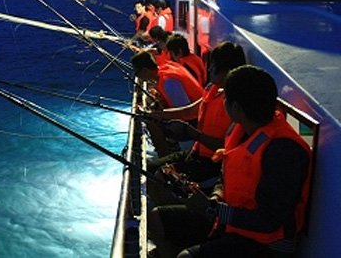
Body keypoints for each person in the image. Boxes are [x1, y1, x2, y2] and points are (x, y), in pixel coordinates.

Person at [149, 65, 311, 258]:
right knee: (157, 218)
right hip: (231, 223)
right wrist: (215, 197)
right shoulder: (241, 130)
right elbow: (226, 176)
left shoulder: (283, 151)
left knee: (186, 257)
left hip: (266, 244)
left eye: (226, 98)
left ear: (235, 107)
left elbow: (269, 221)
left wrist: (212, 209)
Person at [146, 42, 246, 203]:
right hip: (197, 151)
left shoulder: (237, 106)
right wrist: (158, 115)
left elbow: (230, 148)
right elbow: (189, 111)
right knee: (148, 168)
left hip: (214, 163)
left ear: (228, 71)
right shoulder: (212, 90)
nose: (210, 69)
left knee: (160, 176)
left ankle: (169, 215)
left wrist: (193, 134)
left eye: (214, 65)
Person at [131, 51, 204, 156]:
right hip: (197, 114)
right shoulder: (168, 67)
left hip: (196, 121)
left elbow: (186, 112)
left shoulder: (169, 82)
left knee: (152, 122)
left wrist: (156, 114)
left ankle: (164, 158)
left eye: (137, 73)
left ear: (145, 70)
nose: (138, 76)